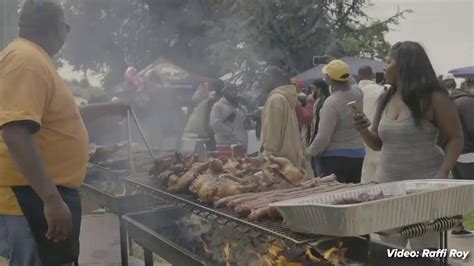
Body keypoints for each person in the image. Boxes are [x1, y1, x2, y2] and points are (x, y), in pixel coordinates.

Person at [0, 2, 90, 265]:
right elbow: (15, 131)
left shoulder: (33, 58)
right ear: (57, 26)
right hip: (30, 199)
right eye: (66, 25)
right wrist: (50, 199)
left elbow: (43, 121)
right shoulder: (26, 60)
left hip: (35, 194)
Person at [353, 41, 463, 248]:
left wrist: (442, 174)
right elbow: (377, 144)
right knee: (391, 252)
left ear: (404, 65)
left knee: (426, 254)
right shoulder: (385, 97)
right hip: (389, 188)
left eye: (388, 61)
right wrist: (362, 129)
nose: (384, 66)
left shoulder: (435, 98)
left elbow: (456, 138)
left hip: (425, 189)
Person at [306, 60, 365, 183]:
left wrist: (310, 152)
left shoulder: (331, 102)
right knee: (352, 196)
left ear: (328, 79)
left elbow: (323, 137)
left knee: (334, 197)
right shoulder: (358, 92)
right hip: (358, 154)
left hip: (335, 158)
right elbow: (351, 82)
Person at [443, 77, 474, 237]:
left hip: (455, 153)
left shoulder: (452, 100)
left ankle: (457, 227)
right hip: (469, 154)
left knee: (459, 194)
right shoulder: (468, 102)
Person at [260, 66, 304, 166]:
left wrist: (267, 158)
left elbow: (272, 135)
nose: (261, 82)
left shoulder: (275, 99)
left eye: (263, 78)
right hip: (291, 161)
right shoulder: (285, 97)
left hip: (278, 164)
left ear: (271, 78)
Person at [358, 66, 385, 183]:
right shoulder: (381, 90)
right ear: (372, 75)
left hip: (359, 142)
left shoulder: (354, 91)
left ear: (359, 76)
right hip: (379, 139)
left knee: (365, 183)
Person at [210, 84, 249, 157]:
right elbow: (215, 125)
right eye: (230, 90)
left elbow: (245, 125)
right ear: (224, 92)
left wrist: (250, 123)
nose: (233, 92)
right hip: (225, 146)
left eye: (235, 90)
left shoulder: (242, 108)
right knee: (227, 167)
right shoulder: (218, 106)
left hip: (241, 146)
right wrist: (232, 133)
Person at [303, 79, 330, 176]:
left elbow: (316, 125)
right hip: (317, 142)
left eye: (313, 89)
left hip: (320, 145)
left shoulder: (322, 103)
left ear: (319, 89)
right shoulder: (319, 101)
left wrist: (312, 145)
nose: (311, 91)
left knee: (319, 174)